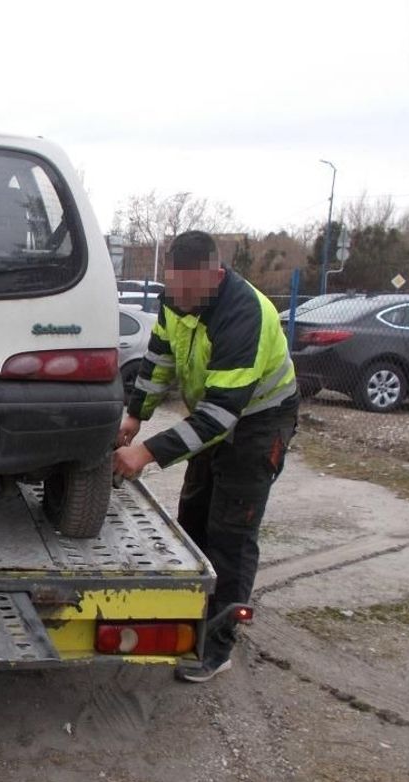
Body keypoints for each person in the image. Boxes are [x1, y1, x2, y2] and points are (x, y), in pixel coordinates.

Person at [113, 230, 298, 683]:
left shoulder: (244, 315)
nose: (180, 299)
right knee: (193, 517)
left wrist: (147, 453)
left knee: (231, 533)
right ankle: (191, 614)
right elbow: (159, 356)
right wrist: (136, 414)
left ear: (215, 275)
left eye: (190, 290)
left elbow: (221, 414)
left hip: (258, 424)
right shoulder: (177, 297)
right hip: (215, 416)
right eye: (174, 287)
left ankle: (217, 645)